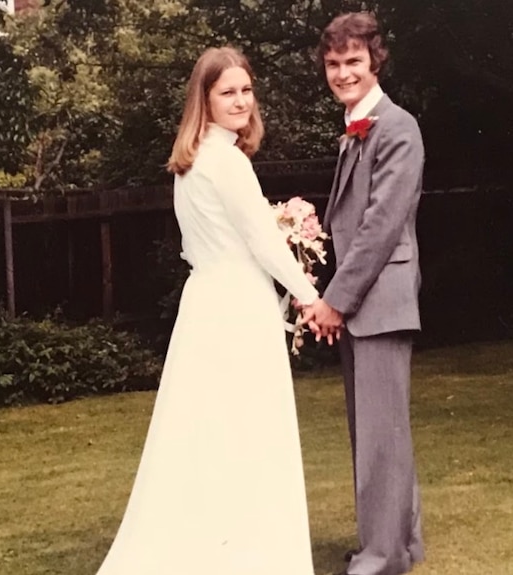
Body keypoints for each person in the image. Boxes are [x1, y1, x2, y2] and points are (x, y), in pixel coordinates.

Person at [94, 46, 322, 575]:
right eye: (228, 93)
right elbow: (264, 243)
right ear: (206, 99)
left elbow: (201, 246)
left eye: (246, 90)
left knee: (206, 431)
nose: (241, 101)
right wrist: (309, 296)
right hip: (239, 304)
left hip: (205, 304)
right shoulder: (227, 161)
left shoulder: (191, 162)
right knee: (247, 431)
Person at [302, 11, 426, 575]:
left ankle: (379, 558)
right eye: (333, 63)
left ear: (375, 60)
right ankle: (402, 545)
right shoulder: (358, 125)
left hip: (377, 301)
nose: (342, 73)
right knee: (381, 435)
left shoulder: (396, 127)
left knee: (380, 438)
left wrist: (335, 300)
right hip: (366, 304)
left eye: (353, 61)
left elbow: (380, 226)